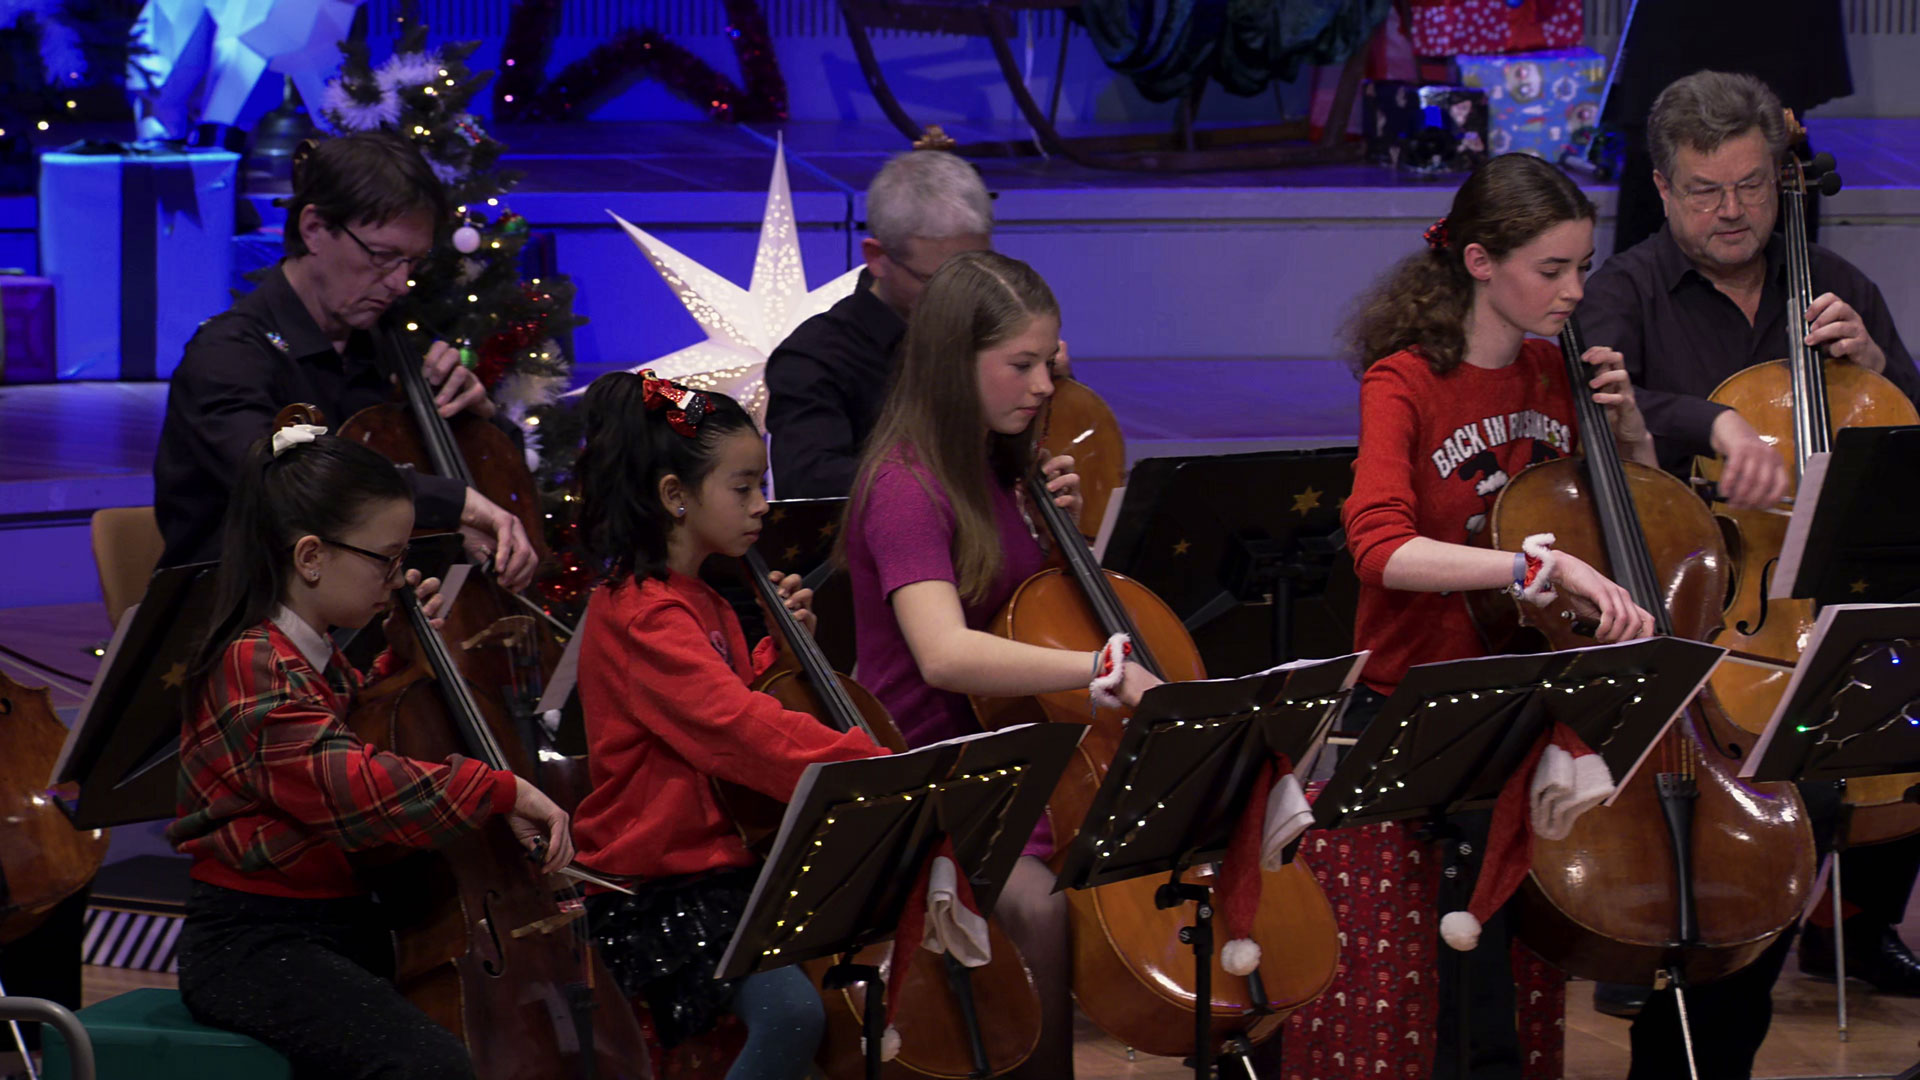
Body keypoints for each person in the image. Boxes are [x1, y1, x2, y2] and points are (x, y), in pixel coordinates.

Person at [1578, 69, 1920, 1076]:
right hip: (1695, 631)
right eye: (1705, 191)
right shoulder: (1623, 292)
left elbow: (1909, 432)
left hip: (1825, 626)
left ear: (1780, 179)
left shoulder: (1837, 287)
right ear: (1662, 187)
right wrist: (1713, 421)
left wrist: (1879, 366)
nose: (1732, 211)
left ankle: (1845, 926)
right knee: (1766, 841)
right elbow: (1594, 400)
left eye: (1753, 186)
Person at [1338, 152, 1657, 1078]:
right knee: (1467, 948)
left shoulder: (1558, 375)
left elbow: (1633, 521)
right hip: (1421, 698)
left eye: (1583, 267)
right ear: (1479, 261)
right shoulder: (1403, 381)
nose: (1575, 291)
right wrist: (1531, 565)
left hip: (1532, 692)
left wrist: (1631, 437)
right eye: (1551, 269)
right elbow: (1378, 549)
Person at [169, 423, 574, 1080]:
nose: (398, 577)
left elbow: (355, 725)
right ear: (310, 557)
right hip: (256, 941)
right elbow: (353, 785)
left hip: (339, 920)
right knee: (429, 1066)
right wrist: (500, 789)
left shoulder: (314, 652)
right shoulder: (250, 661)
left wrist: (403, 658)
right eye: (386, 558)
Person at [839, 250, 1160, 1078]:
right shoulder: (906, 484)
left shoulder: (998, 465)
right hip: (938, 772)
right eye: (1021, 365)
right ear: (955, 361)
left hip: (1020, 756)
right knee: (1038, 908)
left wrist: (1065, 537)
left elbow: (1029, 615)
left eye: (1049, 363)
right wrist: (1099, 668)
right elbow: (945, 654)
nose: (1045, 386)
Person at [566, 370, 888, 1078]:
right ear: (674, 496)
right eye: (742, 489)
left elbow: (725, 700)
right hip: (661, 886)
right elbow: (736, 730)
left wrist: (780, 652)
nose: (762, 506)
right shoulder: (644, 614)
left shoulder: (702, 600)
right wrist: (867, 766)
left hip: (724, 868)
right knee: (792, 1014)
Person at [155, 131, 538, 591]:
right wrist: (452, 502)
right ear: (314, 228)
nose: (399, 283)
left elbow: (502, 473)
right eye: (383, 255)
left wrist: (480, 418)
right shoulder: (229, 355)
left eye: (413, 262)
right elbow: (294, 479)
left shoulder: (382, 345)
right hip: (238, 614)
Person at [764, 149, 997, 499]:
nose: (964, 295)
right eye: (937, 280)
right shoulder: (814, 358)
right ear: (877, 258)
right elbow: (810, 483)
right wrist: (950, 476)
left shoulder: (997, 327)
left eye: (977, 272)